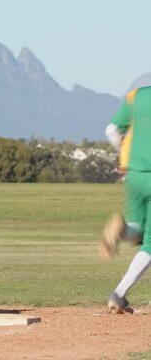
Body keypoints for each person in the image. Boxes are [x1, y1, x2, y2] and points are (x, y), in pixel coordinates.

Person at [99, 80, 151, 314]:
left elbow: (111, 129)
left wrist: (124, 153)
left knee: (138, 229)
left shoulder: (137, 96)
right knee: (150, 243)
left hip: (134, 174)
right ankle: (119, 294)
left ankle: (121, 230)